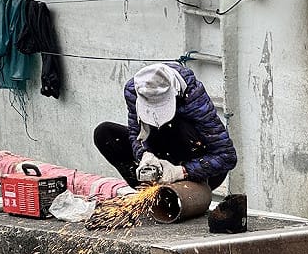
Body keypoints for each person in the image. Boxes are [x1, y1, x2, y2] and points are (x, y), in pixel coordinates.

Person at [94, 62, 237, 190]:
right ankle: (149, 192)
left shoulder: (193, 94)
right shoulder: (133, 91)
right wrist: (144, 154)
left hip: (198, 169)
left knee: (174, 125)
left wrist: (181, 171)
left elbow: (227, 156)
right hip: (159, 155)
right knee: (104, 133)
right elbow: (136, 133)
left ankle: (179, 189)